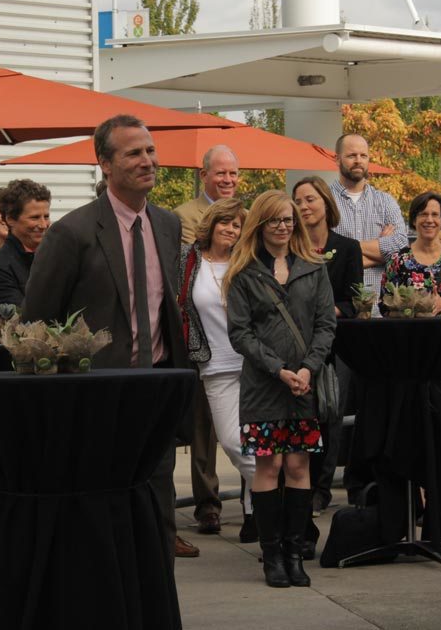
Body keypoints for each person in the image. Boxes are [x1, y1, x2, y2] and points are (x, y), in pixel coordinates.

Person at [23, 114, 195, 561]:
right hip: (96, 396)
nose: (147, 161)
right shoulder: (71, 233)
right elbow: (34, 328)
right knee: (102, 514)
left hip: (155, 389)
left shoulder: (168, 225)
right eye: (133, 153)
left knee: (158, 510)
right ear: (104, 163)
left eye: (150, 150)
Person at [224, 190, 335, 588]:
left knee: (299, 465)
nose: (284, 226)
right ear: (260, 224)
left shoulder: (314, 266)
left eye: (289, 219)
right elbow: (240, 333)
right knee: (269, 466)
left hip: (304, 386)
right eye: (275, 220)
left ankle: (295, 551)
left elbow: (326, 325)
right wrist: (278, 369)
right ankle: (271, 556)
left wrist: (308, 368)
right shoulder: (244, 271)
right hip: (263, 387)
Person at [173, 145, 240, 535]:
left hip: (242, 345)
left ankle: (254, 502)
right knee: (203, 428)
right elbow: (190, 263)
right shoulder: (184, 216)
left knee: (247, 428)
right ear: (205, 176)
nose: (228, 180)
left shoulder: (248, 214)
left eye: (233, 174)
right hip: (203, 340)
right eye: (221, 174)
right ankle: (207, 503)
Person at [176, 198, 253, 538]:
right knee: (234, 443)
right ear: (211, 224)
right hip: (214, 364)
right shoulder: (188, 260)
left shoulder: (248, 261)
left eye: (237, 225)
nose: (230, 230)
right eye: (225, 223)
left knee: (254, 442)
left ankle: (259, 517)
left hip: (254, 364)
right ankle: (281, 495)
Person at [292, 175, 363, 514]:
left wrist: (324, 311)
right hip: (294, 346)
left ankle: (322, 488)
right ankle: (299, 485)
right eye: (299, 201)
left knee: (330, 415)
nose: (305, 206)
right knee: (301, 416)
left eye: (310, 199)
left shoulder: (348, 248)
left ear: (325, 203)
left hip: (336, 346)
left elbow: (354, 302)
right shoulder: (289, 247)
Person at [330, 133, 408, 305]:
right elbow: (324, 255)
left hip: (381, 307)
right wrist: (380, 248)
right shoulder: (325, 201)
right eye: (351, 155)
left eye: (363, 155)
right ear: (337, 159)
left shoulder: (385, 201)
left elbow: (401, 248)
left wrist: (346, 250)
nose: (358, 160)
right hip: (338, 306)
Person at [381, 192, 441, 316]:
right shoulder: (397, 260)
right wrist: (408, 308)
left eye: (435, 215)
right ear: (414, 220)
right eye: (423, 214)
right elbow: (384, 306)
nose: (429, 220)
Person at [0, 178, 51, 308]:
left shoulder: (58, 255)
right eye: (35, 217)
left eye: (46, 216)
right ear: (10, 219)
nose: (43, 225)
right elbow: (19, 315)